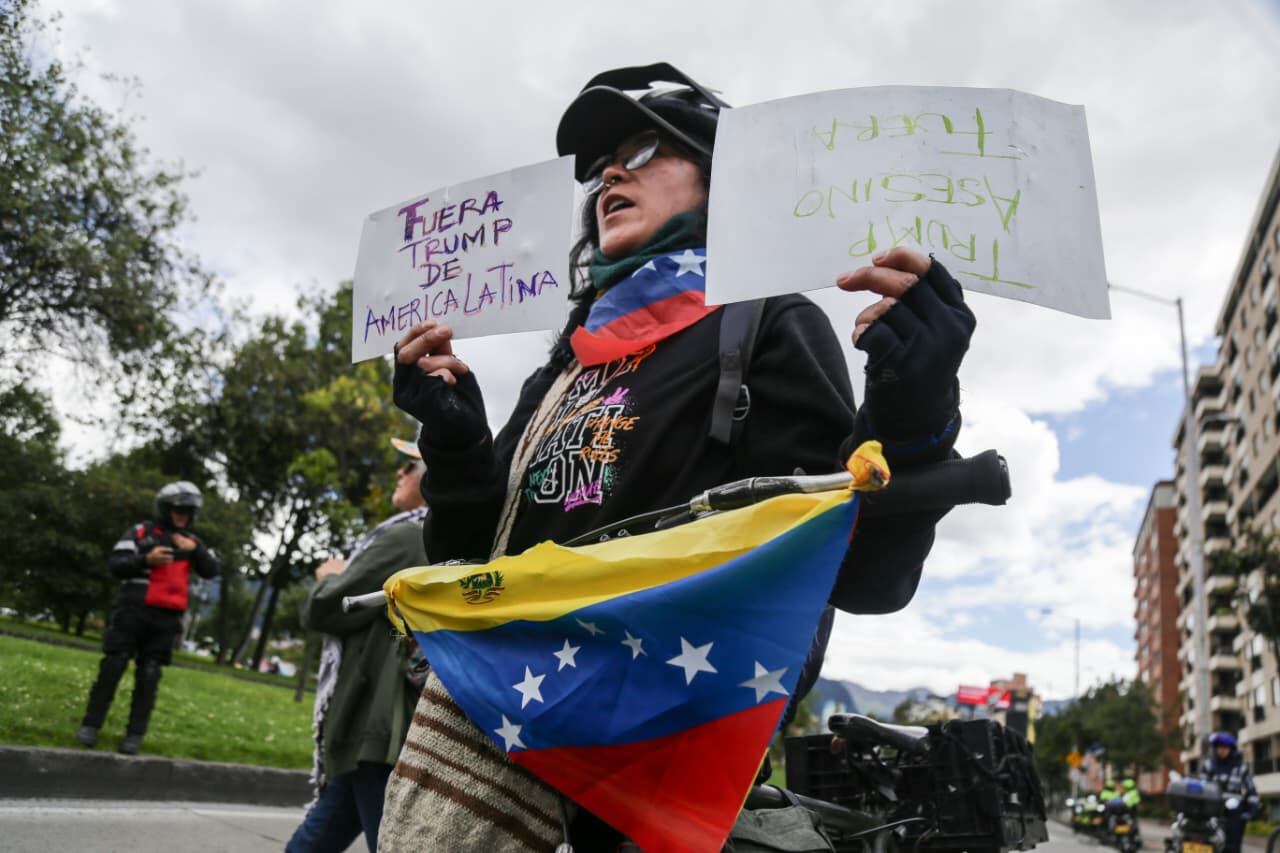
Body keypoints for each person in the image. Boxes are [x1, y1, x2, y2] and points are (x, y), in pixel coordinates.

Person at [383, 63, 976, 851]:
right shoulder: (571, 357)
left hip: (649, 786)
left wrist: (913, 411)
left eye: (649, 148)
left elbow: (862, 572)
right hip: (496, 746)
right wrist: (456, 446)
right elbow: (470, 560)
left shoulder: (767, 322)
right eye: (601, 168)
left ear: (721, 182)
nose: (611, 175)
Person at [284, 439, 429, 853]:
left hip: (378, 722)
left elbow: (329, 608)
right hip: (386, 726)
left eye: (409, 465)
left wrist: (329, 575)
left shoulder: (407, 538)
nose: (399, 473)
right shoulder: (441, 538)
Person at [76, 481, 220, 755]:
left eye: (188, 511)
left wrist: (194, 550)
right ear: (165, 509)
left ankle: (134, 735)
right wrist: (145, 560)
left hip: (166, 619)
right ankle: (90, 726)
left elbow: (211, 570)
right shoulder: (141, 532)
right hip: (132, 611)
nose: (183, 516)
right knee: (114, 665)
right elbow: (116, 565)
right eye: (178, 510)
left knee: (150, 674)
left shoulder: (193, 542)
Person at [1205, 731, 1261, 853]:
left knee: (1232, 847)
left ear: (1231, 749)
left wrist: (1252, 810)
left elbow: (1251, 790)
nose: (1222, 750)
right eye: (1219, 747)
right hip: (1212, 811)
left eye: (1225, 748)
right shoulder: (1209, 765)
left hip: (1234, 814)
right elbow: (1202, 785)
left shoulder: (1240, 767)